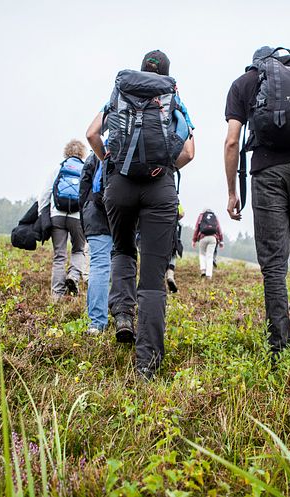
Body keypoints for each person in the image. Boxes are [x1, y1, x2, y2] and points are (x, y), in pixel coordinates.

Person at [86, 49, 195, 379]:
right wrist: (161, 169)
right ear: (166, 72)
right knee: (152, 279)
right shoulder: (173, 96)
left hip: (119, 185)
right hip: (159, 189)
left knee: (121, 249)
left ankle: (121, 315)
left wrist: (110, 161)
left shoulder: (122, 91)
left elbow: (92, 133)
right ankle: (147, 365)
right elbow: (189, 151)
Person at [223, 46, 290, 353]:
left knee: (273, 263)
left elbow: (231, 142)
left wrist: (231, 192)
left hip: (266, 173)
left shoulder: (244, 83)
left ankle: (279, 345)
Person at [38, 139, 88, 300]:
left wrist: (43, 216)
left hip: (57, 216)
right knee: (78, 250)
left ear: (66, 152)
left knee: (59, 255)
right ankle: (73, 276)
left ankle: (57, 295)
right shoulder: (85, 169)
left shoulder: (58, 169)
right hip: (77, 217)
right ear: (83, 153)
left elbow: (44, 195)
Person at [79, 152, 111, 334]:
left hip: (95, 214)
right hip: (120, 216)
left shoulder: (95, 155)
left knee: (99, 266)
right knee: (119, 266)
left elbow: (83, 189)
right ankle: (119, 313)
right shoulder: (130, 149)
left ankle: (97, 322)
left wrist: (84, 215)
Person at [192, 208, 223, 279]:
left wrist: (194, 240)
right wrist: (221, 241)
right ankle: (209, 275)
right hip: (213, 238)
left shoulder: (201, 216)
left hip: (203, 237)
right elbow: (219, 229)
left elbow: (197, 227)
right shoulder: (214, 217)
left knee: (202, 254)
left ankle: (203, 270)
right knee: (210, 256)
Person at [166, 203, 185, 293]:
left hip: (158, 233)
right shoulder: (175, 200)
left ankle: (157, 283)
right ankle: (170, 275)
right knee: (173, 255)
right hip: (173, 234)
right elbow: (181, 213)